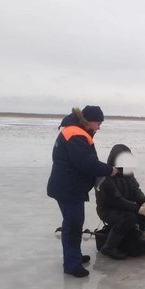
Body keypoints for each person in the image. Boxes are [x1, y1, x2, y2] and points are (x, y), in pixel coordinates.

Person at [47, 106, 118, 278]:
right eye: (98, 123)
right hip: (68, 189)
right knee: (73, 225)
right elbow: (87, 164)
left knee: (73, 223)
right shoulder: (76, 134)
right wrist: (110, 170)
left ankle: (75, 257)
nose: (99, 127)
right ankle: (72, 264)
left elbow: (85, 161)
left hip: (68, 186)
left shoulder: (75, 130)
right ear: (89, 120)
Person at [95, 144, 145, 260]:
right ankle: (109, 247)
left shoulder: (128, 172)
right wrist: (137, 209)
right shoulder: (104, 175)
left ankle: (134, 233)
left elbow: (135, 189)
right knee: (128, 218)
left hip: (127, 207)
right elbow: (115, 200)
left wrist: (143, 202)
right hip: (108, 210)